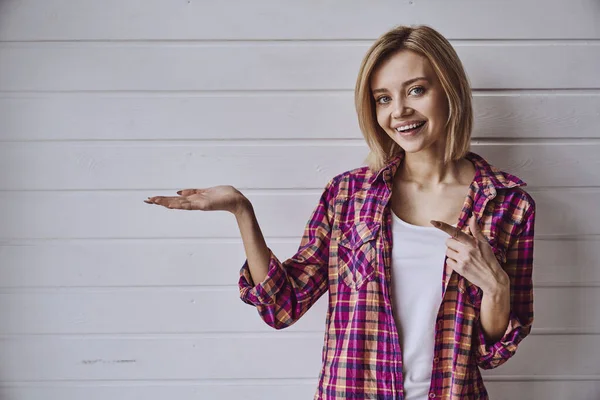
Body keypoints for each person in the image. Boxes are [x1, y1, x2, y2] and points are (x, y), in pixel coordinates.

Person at [144, 25, 535, 400]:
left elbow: (492, 353)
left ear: (449, 91)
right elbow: (283, 305)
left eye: (416, 90)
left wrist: (496, 286)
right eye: (383, 98)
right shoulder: (348, 195)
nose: (399, 111)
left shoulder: (506, 203)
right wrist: (241, 210)